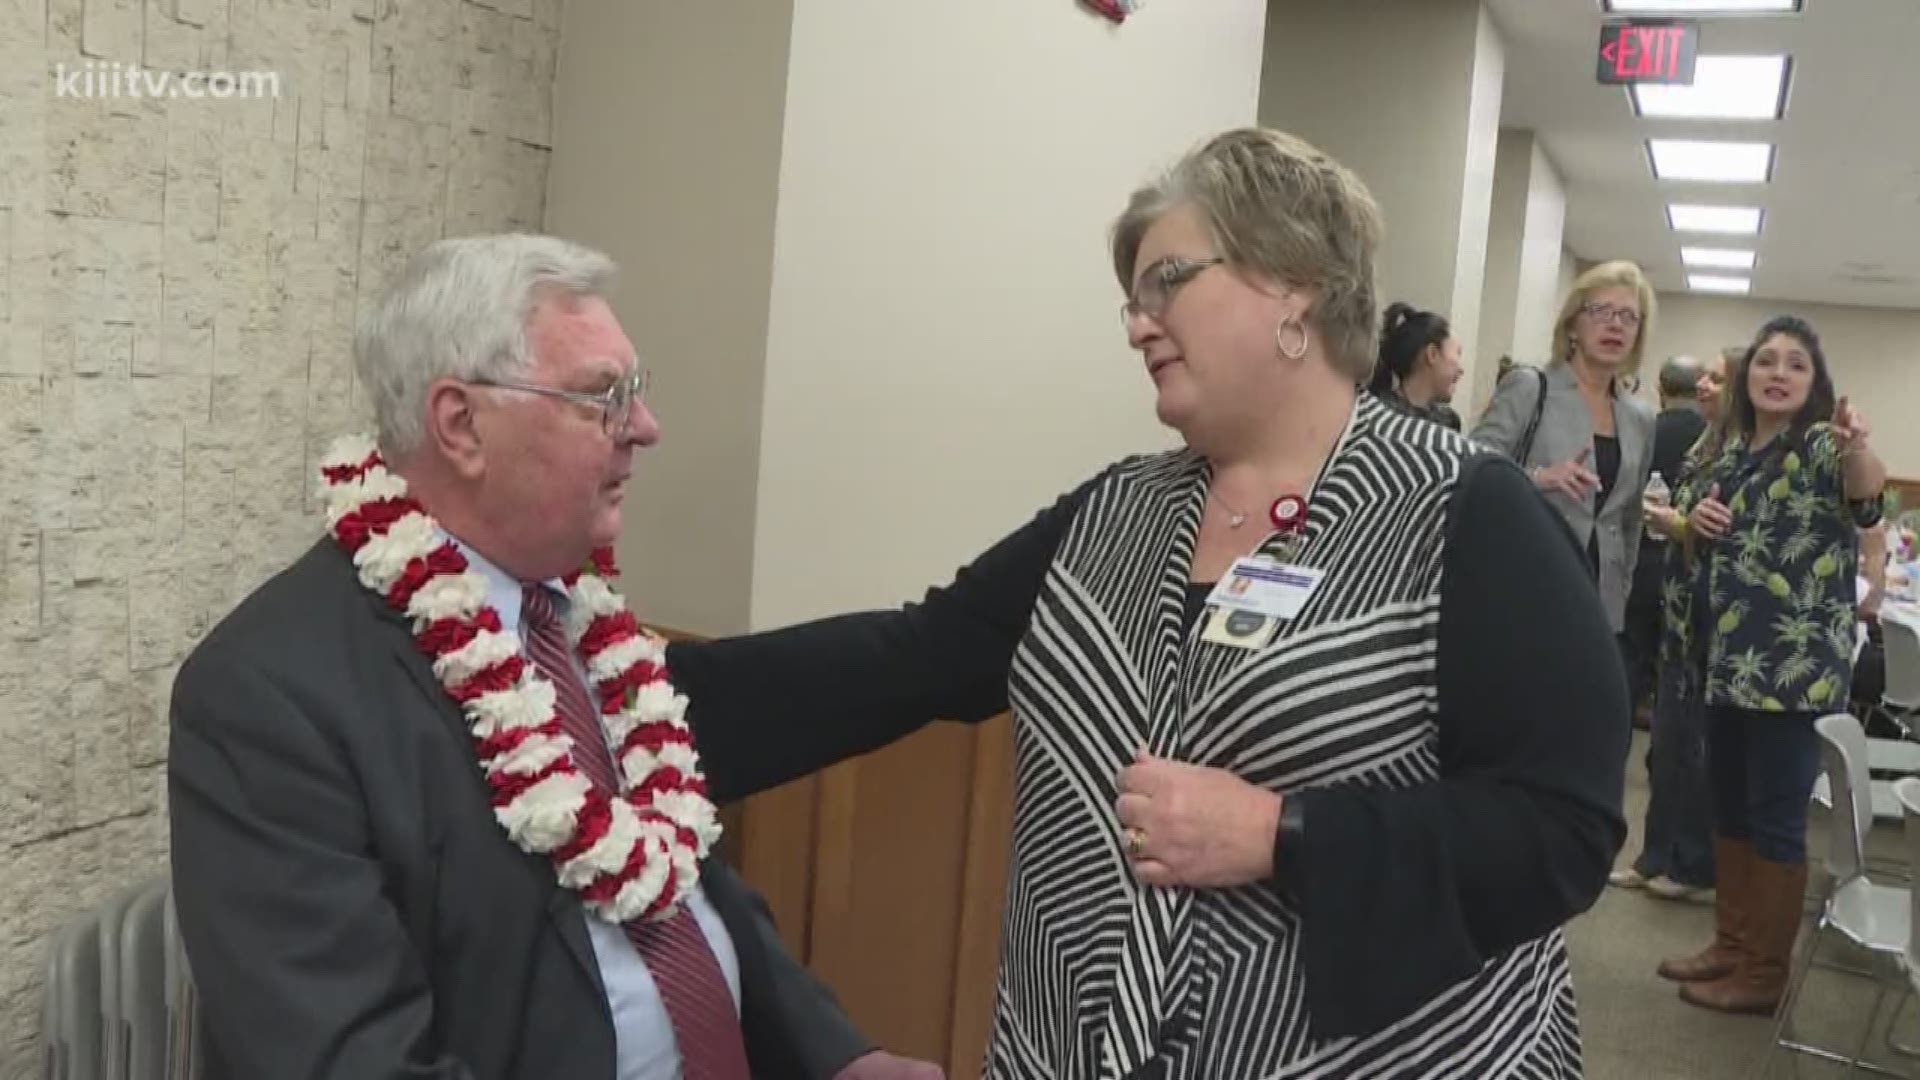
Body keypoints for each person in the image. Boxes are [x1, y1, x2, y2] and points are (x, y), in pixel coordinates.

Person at [670, 128, 1627, 1077]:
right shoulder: (1117, 511)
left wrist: (1282, 834)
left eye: (1169, 280)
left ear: (1293, 284)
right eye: (1130, 299)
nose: (1137, 322)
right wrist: (619, 693)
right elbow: (913, 658)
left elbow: (1561, 828)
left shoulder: (1463, 512)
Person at [167, 235, 941, 1080]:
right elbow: (347, 1062)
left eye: (634, 392)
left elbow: (680, 885)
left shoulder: (575, 615)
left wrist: (838, 1057)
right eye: (601, 397)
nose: (644, 428)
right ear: (461, 424)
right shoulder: (270, 698)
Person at [1658, 315, 1887, 1015]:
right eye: (1766, 361)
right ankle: (1731, 941)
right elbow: (1685, 516)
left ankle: (1763, 972)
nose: (1778, 372)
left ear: (1815, 384)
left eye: (1796, 364)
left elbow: (1867, 498)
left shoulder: (1820, 445)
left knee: (1776, 819)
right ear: (1747, 376)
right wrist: (1691, 524)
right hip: (1722, 660)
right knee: (1728, 809)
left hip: (1789, 674)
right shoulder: (1726, 452)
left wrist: (1858, 450)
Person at [1471, 262, 1659, 691]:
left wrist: (1622, 586)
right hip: (1526, 583)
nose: (1616, 325)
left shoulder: (1640, 417)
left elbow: (1629, 517)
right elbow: (1471, 467)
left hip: (1601, 601)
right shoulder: (1529, 386)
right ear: (1573, 323)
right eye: (1602, 311)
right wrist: (1538, 477)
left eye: (1628, 316)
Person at [1612, 355, 1729, 905]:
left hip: (1715, 624)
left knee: (1696, 753)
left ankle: (1691, 864)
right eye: (1702, 375)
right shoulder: (1703, 445)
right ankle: (1654, 854)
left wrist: (1673, 522)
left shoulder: (1745, 454)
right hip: (1680, 610)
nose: (1703, 385)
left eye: (1718, 377)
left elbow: (1727, 536)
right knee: (1666, 746)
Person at [1620, 354, 1711, 729]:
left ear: (1660, 389)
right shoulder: (1717, 438)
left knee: (1633, 651)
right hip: (1693, 565)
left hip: (1642, 556)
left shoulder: (1642, 430)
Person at [1367, 301, 1463, 430]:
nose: (1461, 370)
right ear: (1432, 354)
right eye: (1458, 352)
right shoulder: (1376, 416)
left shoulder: (1448, 421)